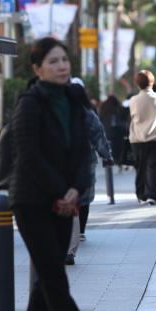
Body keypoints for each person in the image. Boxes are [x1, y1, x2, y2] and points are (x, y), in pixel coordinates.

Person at [9, 37, 105, 311]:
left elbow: (81, 149)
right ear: (37, 69)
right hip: (32, 201)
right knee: (53, 270)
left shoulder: (74, 98)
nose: (61, 66)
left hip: (66, 200)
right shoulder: (30, 103)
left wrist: (75, 190)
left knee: (47, 270)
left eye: (64, 59)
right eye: (53, 61)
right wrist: (60, 192)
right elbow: (30, 156)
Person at [66, 78, 114, 265]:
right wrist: (107, 156)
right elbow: (99, 138)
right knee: (83, 199)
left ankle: (69, 241)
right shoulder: (88, 115)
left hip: (62, 165)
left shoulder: (61, 114)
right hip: (85, 163)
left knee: (67, 202)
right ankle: (79, 233)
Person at [128, 70, 156, 205]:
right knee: (153, 166)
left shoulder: (133, 100)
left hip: (138, 138)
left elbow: (133, 117)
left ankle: (141, 195)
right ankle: (152, 194)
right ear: (152, 82)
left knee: (140, 166)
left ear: (138, 84)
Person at [98, 95, 126, 166]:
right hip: (117, 133)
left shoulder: (103, 110)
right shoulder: (119, 109)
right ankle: (118, 160)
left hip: (106, 133)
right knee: (118, 146)